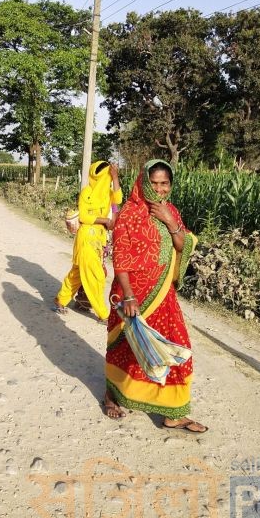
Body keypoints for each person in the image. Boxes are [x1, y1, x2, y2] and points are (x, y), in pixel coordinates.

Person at [104, 159, 207, 432]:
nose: (160, 189)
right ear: (143, 182)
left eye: (165, 183)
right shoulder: (129, 213)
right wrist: (128, 296)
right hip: (132, 294)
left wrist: (170, 221)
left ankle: (175, 412)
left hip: (163, 293)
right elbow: (121, 258)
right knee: (126, 347)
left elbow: (182, 245)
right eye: (154, 183)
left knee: (175, 347)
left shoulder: (170, 210)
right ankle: (112, 393)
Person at [54, 161, 122, 322]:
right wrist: (104, 220)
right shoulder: (87, 192)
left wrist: (115, 177)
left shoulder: (109, 193)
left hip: (98, 239)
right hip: (86, 238)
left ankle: (61, 300)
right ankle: (103, 314)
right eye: (106, 176)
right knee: (96, 277)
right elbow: (84, 216)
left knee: (77, 274)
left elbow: (118, 199)